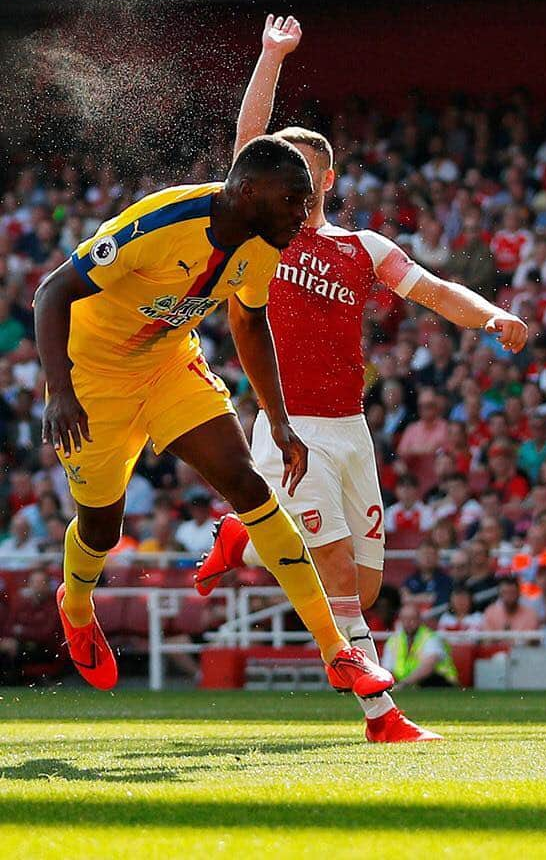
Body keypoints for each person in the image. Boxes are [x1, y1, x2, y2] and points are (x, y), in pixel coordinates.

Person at [197, 14, 527, 741]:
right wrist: (272, 56)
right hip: (295, 426)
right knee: (340, 575)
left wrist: (492, 314)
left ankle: (246, 532)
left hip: (352, 430)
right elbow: (246, 140)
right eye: (279, 165)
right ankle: (382, 716)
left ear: (328, 179)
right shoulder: (261, 232)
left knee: (367, 585)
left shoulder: (363, 245)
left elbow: (437, 291)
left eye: (307, 168)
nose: (292, 176)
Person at [34, 135, 390, 698]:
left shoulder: (266, 241)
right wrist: (59, 392)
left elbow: (249, 324)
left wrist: (277, 419)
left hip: (170, 367)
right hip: (93, 383)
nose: (302, 218)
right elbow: (52, 293)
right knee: (102, 527)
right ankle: (75, 606)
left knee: (248, 484)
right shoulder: (162, 224)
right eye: (292, 202)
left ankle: (338, 652)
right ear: (248, 192)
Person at [381, 602, 459, 687]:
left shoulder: (430, 637)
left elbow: (429, 666)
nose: (408, 623)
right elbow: (387, 669)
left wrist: (404, 684)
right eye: (405, 619)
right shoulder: (394, 640)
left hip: (441, 684)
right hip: (411, 686)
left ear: (419, 620)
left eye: (412, 619)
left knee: (431, 679)